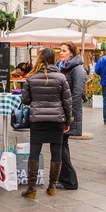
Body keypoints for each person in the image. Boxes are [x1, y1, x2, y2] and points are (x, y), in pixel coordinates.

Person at [21, 48, 73, 199]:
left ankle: (31, 189)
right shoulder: (61, 77)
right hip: (57, 119)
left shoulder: (31, 77)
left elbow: (25, 100)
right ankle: (51, 186)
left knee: (34, 152)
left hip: (37, 119)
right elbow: (67, 102)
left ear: (40, 59)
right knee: (56, 151)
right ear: (52, 59)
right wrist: (68, 120)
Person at [57, 42, 85, 190]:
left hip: (69, 113)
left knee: (61, 145)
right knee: (61, 145)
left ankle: (70, 181)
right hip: (61, 111)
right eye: (60, 50)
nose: (60, 53)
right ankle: (64, 179)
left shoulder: (77, 70)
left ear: (72, 53)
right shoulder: (63, 68)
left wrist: (71, 115)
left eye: (64, 51)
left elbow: (77, 93)